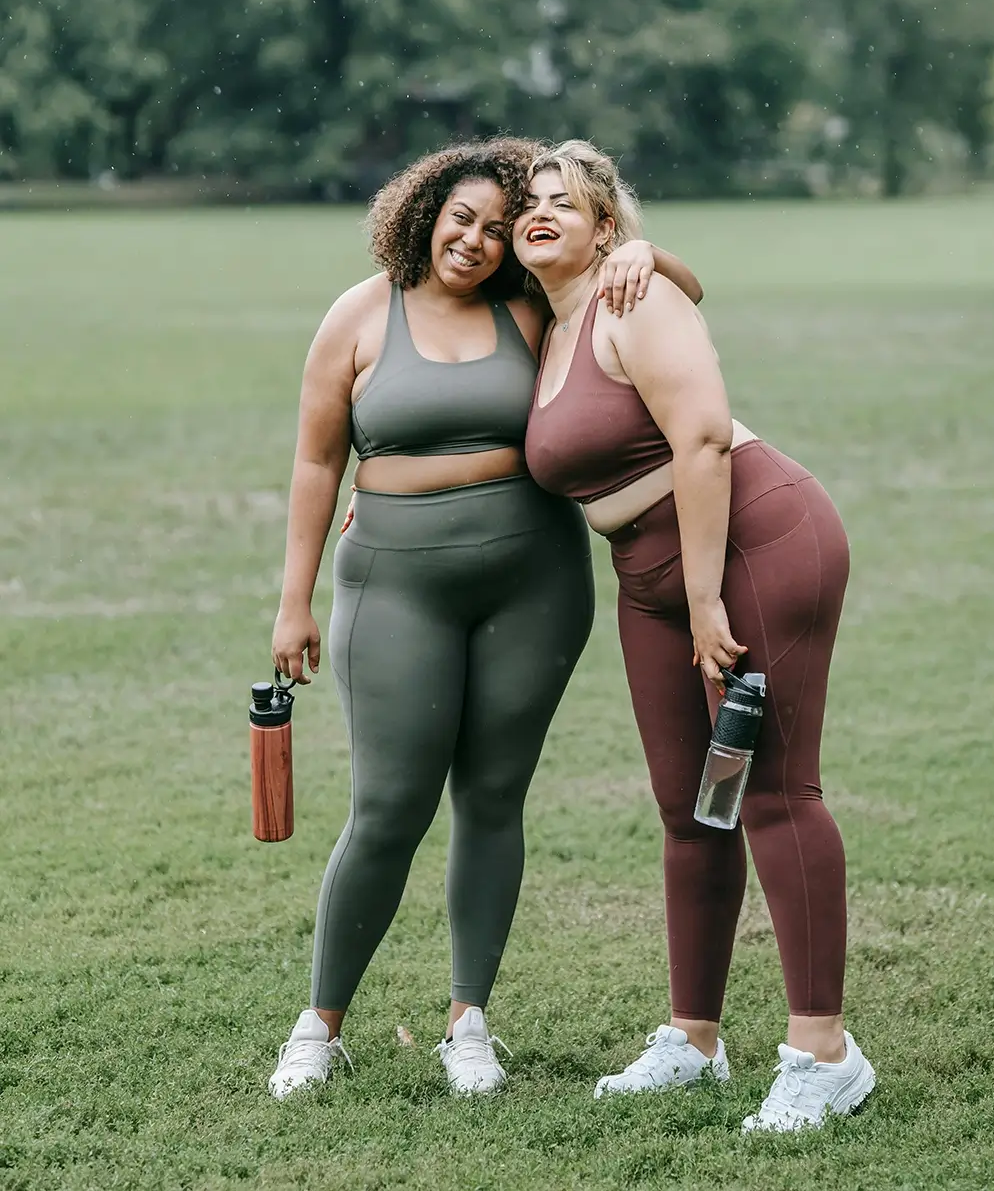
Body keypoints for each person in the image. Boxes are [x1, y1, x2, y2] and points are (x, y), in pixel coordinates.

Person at [266, 138, 702, 1100]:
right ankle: (318, 1026)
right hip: (394, 586)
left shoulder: (530, 309)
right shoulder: (359, 314)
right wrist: (294, 601)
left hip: (533, 582)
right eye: (461, 218)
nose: (475, 239)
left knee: (495, 798)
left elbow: (677, 295)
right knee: (389, 807)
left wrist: (645, 251)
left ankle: (469, 1023)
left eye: (498, 228)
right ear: (424, 214)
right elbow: (315, 463)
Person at [516, 139, 875, 1135]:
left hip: (754, 546)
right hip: (648, 582)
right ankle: (695, 1039)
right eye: (528, 200)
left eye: (564, 201)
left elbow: (705, 438)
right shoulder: (544, 324)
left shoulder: (632, 300)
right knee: (691, 808)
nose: (539, 211)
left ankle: (826, 1052)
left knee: (774, 793)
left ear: (605, 229)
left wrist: (709, 597)